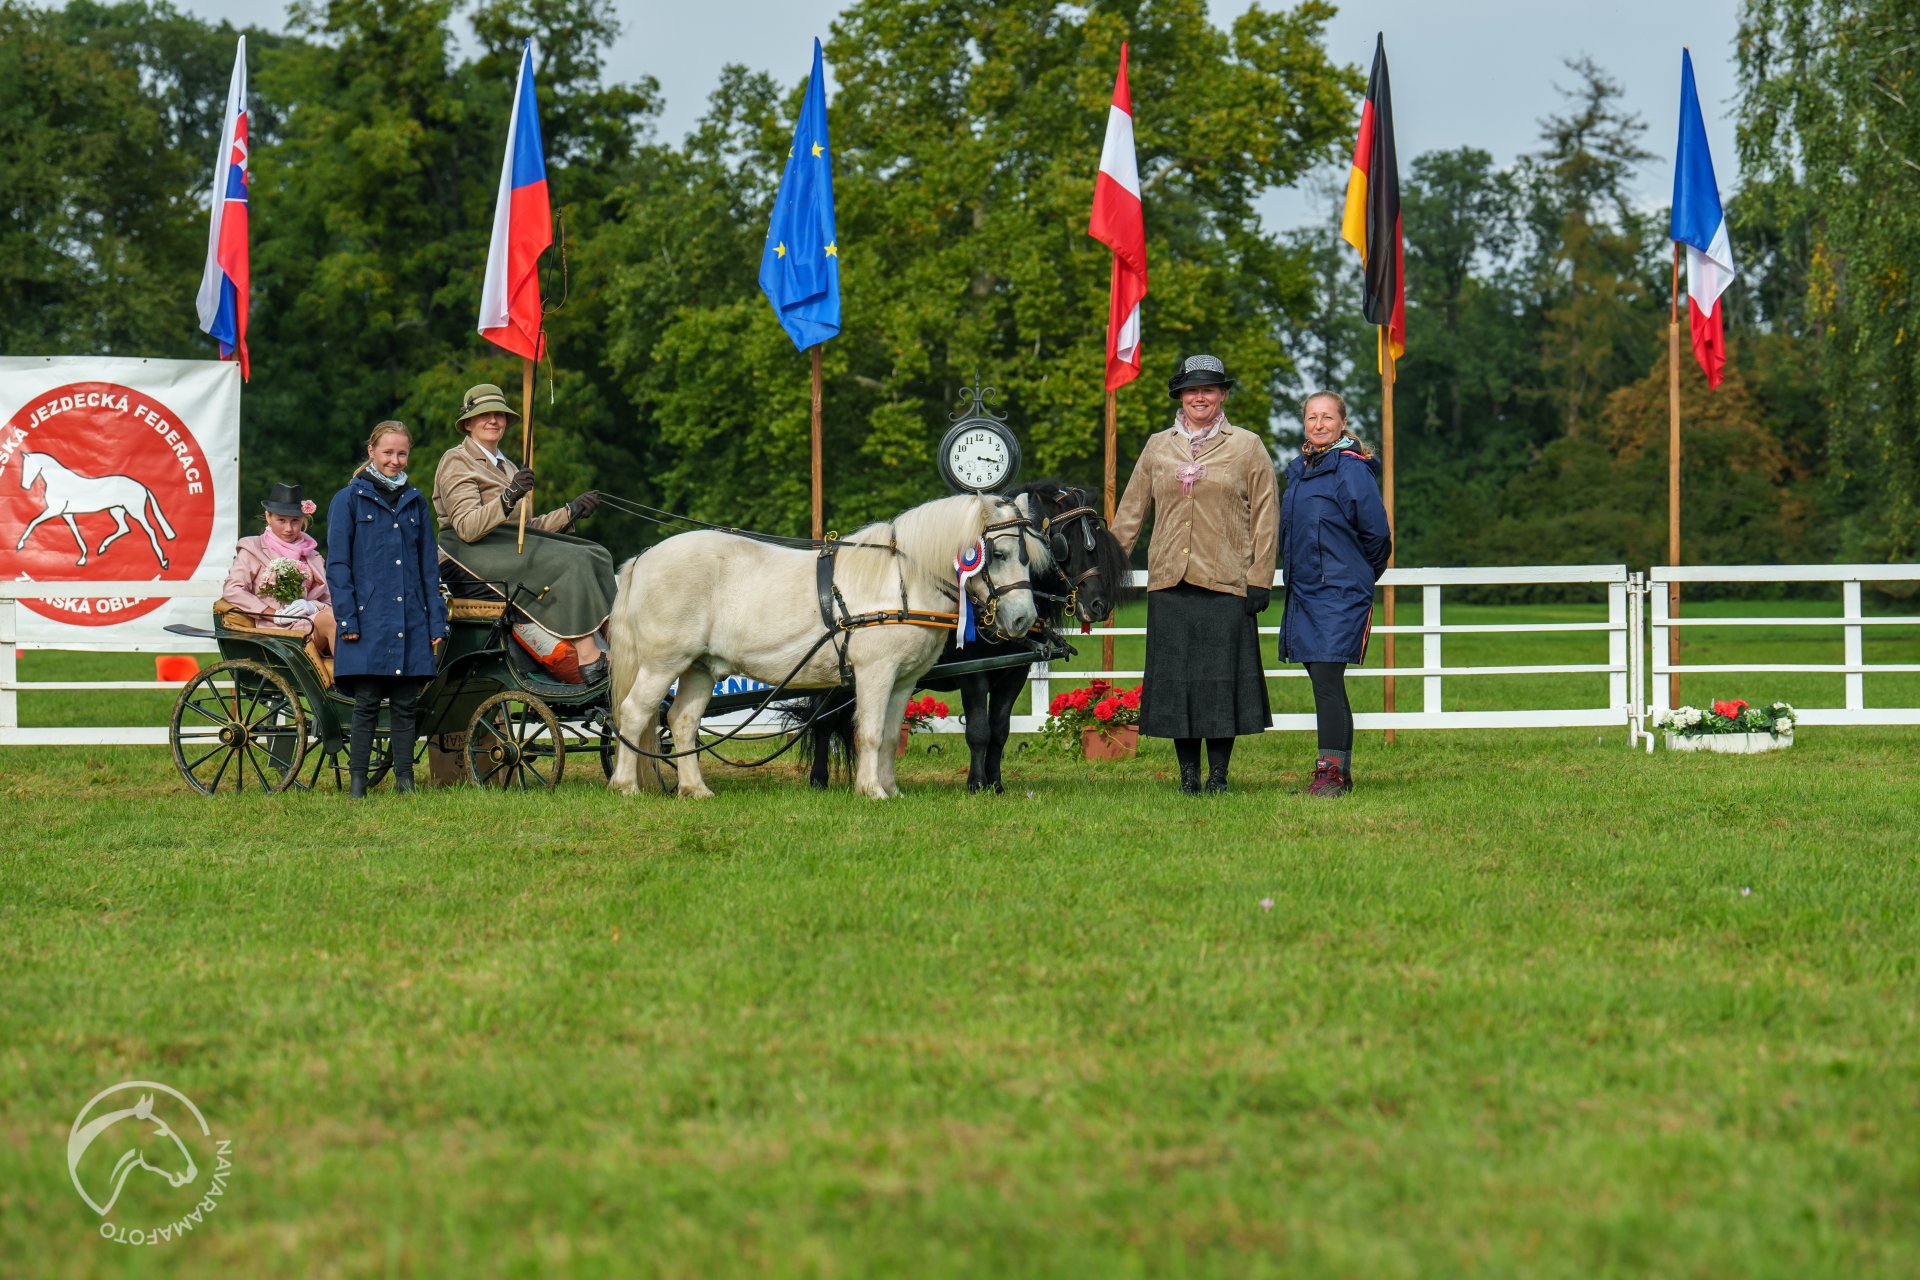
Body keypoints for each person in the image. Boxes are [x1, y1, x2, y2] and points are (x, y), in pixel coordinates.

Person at [1111, 354, 1279, 795]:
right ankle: (1188, 776)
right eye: (1191, 389)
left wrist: (1261, 575)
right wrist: (1109, 571)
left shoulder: (1247, 445)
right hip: (1170, 581)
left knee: (1220, 684)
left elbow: (1266, 515)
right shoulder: (1157, 446)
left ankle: (1219, 775)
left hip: (1226, 581)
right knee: (1177, 685)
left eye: (1208, 388)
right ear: (1180, 396)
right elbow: (1130, 514)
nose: (1199, 396)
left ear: (1222, 394)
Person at [432, 383, 616, 684]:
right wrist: (508, 497)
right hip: (467, 560)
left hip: (505, 550)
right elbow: (467, 527)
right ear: (468, 423)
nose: (493, 421)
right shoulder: (456, 460)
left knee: (594, 553)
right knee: (572, 561)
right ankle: (588, 656)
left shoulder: (506, 465)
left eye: (499, 415)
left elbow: (523, 532)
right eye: (484, 415)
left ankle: (619, 643)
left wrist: (571, 511)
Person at [1278, 391, 1393, 797]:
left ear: (1342, 423)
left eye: (1328, 417)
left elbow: (1378, 536)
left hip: (1338, 594)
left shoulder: (1350, 469)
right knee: (1322, 681)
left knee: (1327, 680)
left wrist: (1357, 576)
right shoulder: (1301, 471)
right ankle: (1336, 772)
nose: (1320, 423)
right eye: (1312, 417)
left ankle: (1332, 775)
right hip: (1305, 594)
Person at [327, 421, 447, 798]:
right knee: (366, 702)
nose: (395, 460)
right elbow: (338, 565)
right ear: (371, 453)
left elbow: (429, 567)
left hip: (410, 618)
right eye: (388, 453)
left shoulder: (415, 501)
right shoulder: (347, 500)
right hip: (367, 619)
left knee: (405, 704)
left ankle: (405, 783)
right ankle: (358, 784)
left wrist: (435, 619)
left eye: (402, 453)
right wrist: (347, 617)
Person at [222, 483, 336, 657]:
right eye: (281, 520)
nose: (289, 529)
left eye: (295, 521)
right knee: (333, 620)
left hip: (309, 623)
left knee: (343, 618)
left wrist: (312, 606)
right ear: (268, 517)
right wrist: (272, 614)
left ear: (303, 519)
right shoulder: (252, 548)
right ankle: (352, 679)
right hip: (276, 632)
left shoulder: (313, 556)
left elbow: (330, 602)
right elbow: (232, 590)